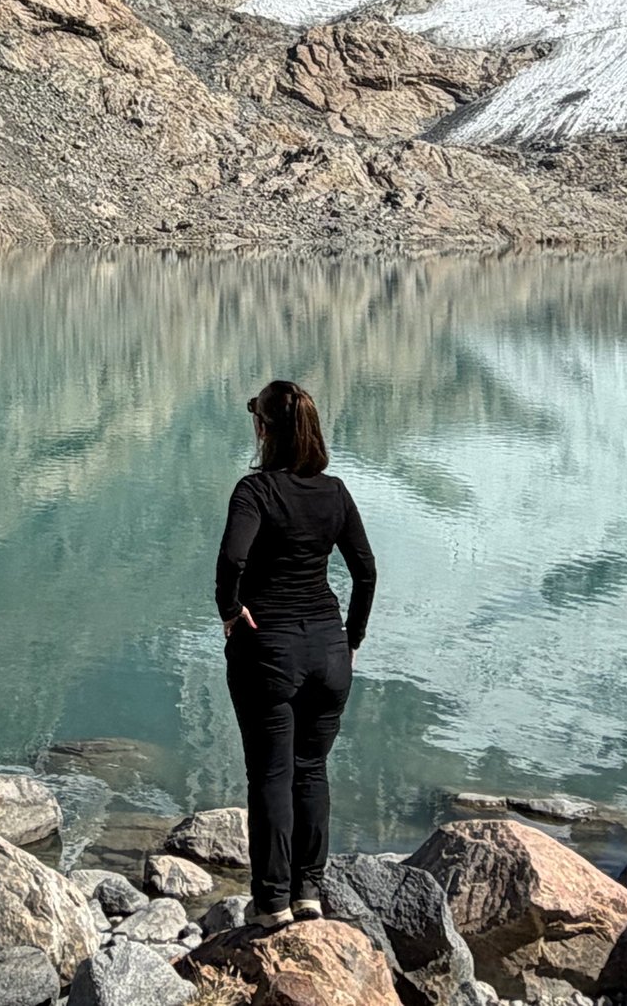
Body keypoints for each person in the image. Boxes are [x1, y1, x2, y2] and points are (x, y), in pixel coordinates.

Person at [214, 378, 376, 926]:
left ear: (264, 429)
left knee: (271, 774)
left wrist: (230, 611)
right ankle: (309, 892)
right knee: (311, 768)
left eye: (255, 417)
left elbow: (233, 561)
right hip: (328, 651)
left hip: (269, 652)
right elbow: (366, 571)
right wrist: (351, 638)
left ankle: (271, 904)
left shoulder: (254, 491)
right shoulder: (335, 492)